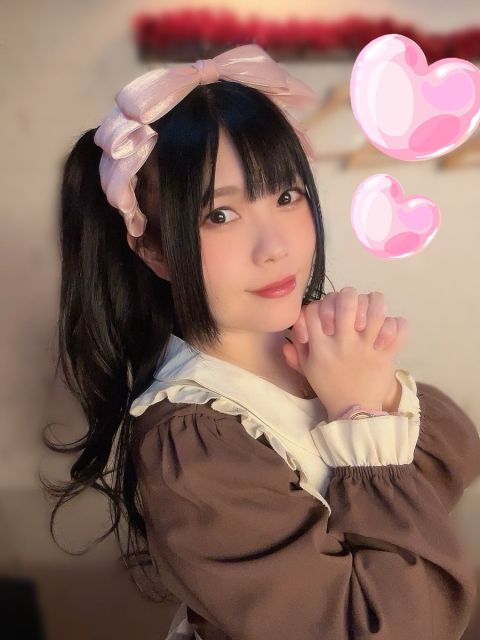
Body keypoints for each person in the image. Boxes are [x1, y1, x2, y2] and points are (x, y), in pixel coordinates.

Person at [44, 44, 480, 639]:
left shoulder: (316, 349)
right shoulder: (193, 443)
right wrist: (361, 417)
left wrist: (370, 394)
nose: (275, 247)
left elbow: (457, 450)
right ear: (155, 249)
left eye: (286, 196)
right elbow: (392, 626)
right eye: (220, 215)